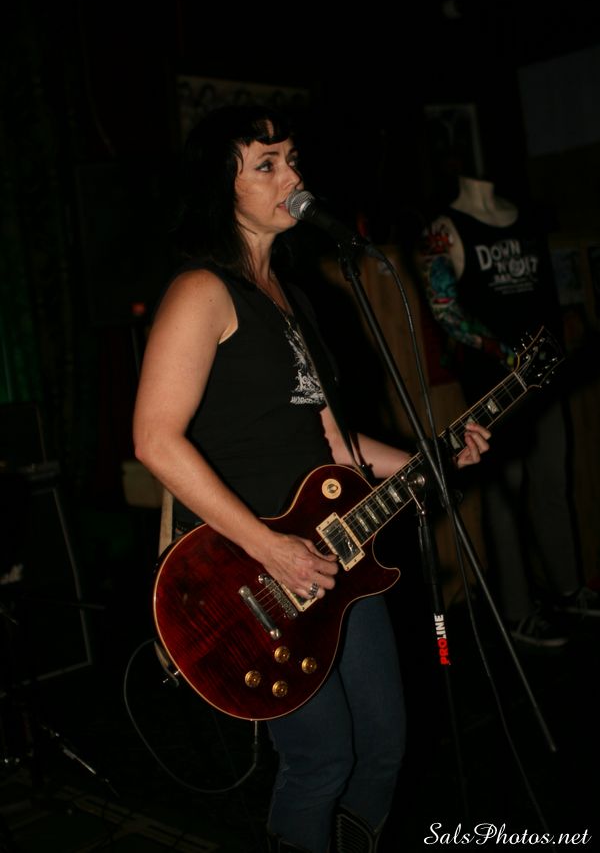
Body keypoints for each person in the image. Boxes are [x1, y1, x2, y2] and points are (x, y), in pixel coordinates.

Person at [132, 105, 491, 853]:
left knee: (385, 743)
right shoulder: (202, 291)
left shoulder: (292, 300)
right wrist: (269, 547)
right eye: (266, 165)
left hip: (334, 553)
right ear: (221, 188)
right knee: (322, 759)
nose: (291, 175)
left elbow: (334, 443)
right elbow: (155, 440)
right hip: (254, 571)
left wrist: (433, 456)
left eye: (291, 158)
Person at [418, 173, 599, 650]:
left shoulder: (525, 217)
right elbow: (444, 309)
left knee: (552, 482)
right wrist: (500, 352)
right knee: (504, 494)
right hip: (494, 389)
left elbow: (549, 291)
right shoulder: (446, 228)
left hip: (545, 375)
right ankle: (518, 611)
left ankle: (567, 589)